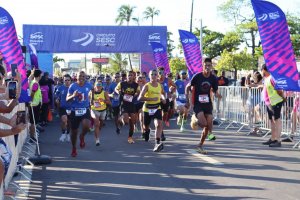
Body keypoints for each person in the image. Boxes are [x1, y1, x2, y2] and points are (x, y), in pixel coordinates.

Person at [185, 58, 221, 154]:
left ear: (211, 66)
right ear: (203, 66)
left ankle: (201, 144)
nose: (207, 67)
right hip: (198, 104)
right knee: (204, 124)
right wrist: (187, 101)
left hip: (208, 103)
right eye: (206, 65)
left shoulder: (213, 78)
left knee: (209, 122)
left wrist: (217, 95)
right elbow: (188, 87)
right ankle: (195, 119)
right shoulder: (197, 76)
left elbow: (214, 90)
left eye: (209, 65)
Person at [138, 69, 166, 152]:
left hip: (157, 107)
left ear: (157, 76)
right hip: (147, 108)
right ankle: (147, 131)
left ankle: (157, 143)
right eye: (152, 74)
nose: (153, 76)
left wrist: (163, 99)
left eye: (155, 74)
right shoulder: (147, 86)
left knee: (158, 124)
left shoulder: (160, 85)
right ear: (149, 76)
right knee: (146, 126)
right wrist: (151, 98)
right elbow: (140, 98)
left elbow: (162, 94)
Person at [66, 71, 93, 157]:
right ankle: (74, 148)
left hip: (85, 109)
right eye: (79, 76)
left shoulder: (89, 85)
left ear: (85, 77)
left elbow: (93, 91)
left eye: (83, 76)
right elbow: (67, 99)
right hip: (74, 111)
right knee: (74, 132)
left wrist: (92, 99)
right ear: (76, 77)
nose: (81, 78)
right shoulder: (72, 86)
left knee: (87, 125)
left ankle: (82, 136)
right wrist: (73, 95)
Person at [261, 64, 285, 147]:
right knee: (272, 121)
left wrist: (283, 97)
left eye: (262, 70)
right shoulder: (267, 78)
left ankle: (278, 140)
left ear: (264, 70)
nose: (261, 72)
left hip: (276, 101)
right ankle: (273, 138)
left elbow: (278, 89)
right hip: (270, 102)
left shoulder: (272, 78)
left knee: (277, 120)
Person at [115, 71, 139, 144]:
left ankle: (130, 137)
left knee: (133, 121)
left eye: (131, 75)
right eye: (129, 75)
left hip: (131, 103)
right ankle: (119, 122)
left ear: (133, 77)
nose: (129, 76)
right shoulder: (122, 83)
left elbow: (138, 92)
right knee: (126, 121)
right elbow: (116, 89)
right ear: (127, 76)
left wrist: (135, 95)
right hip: (123, 103)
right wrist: (118, 92)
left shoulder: (136, 84)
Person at [90, 80, 111, 146]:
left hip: (103, 111)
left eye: (100, 85)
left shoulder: (104, 93)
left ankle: (98, 130)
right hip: (94, 110)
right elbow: (89, 102)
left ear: (102, 86)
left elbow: (109, 102)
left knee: (100, 124)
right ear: (95, 86)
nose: (98, 86)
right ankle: (97, 140)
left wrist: (103, 101)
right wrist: (92, 99)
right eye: (97, 85)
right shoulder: (91, 92)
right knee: (96, 124)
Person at [56, 74, 72, 142]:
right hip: (62, 107)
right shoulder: (60, 88)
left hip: (71, 108)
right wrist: (57, 99)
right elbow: (57, 96)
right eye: (65, 80)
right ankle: (63, 133)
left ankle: (68, 133)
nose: (67, 81)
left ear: (70, 80)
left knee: (69, 122)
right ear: (63, 80)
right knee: (64, 120)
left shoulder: (73, 88)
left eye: (68, 80)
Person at [28, 69, 43, 141]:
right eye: (41, 75)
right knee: (33, 122)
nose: (41, 76)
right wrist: (30, 100)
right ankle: (32, 137)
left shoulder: (34, 82)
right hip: (34, 105)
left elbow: (29, 78)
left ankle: (32, 136)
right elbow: (33, 93)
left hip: (35, 105)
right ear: (39, 75)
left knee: (33, 122)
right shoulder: (35, 83)